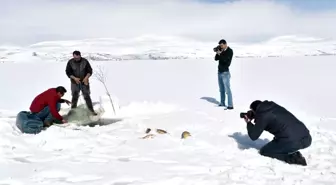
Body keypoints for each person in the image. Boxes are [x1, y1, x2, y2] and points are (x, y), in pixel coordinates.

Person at [241, 100, 312, 166]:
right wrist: (256, 116)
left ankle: (294, 158)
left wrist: (248, 122)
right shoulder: (273, 106)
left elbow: (253, 136)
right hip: (307, 138)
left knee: (265, 151)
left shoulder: (263, 116)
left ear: (255, 111)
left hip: (293, 141)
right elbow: (270, 118)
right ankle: (290, 149)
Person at [65, 50, 97, 115]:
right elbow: (68, 72)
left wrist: (86, 78)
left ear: (80, 55)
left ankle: (91, 111)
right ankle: (73, 112)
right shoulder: (70, 62)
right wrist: (74, 78)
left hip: (84, 82)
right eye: (75, 57)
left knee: (87, 96)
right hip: (74, 82)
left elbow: (90, 71)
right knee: (74, 97)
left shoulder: (85, 61)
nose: (76, 59)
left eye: (77, 57)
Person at [214, 39, 234, 110]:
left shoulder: (230, 51)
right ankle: (222, 103)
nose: (221, 47)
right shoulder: (221, 50)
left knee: (227, 90)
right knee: (221, 89)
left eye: (222, 45)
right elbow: (216, 59)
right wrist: (217, 52)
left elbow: (225, 60)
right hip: (219, 72)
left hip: (225, 73)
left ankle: (230, 105)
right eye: (220, 46)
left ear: (225, 44)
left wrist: (220, 53)